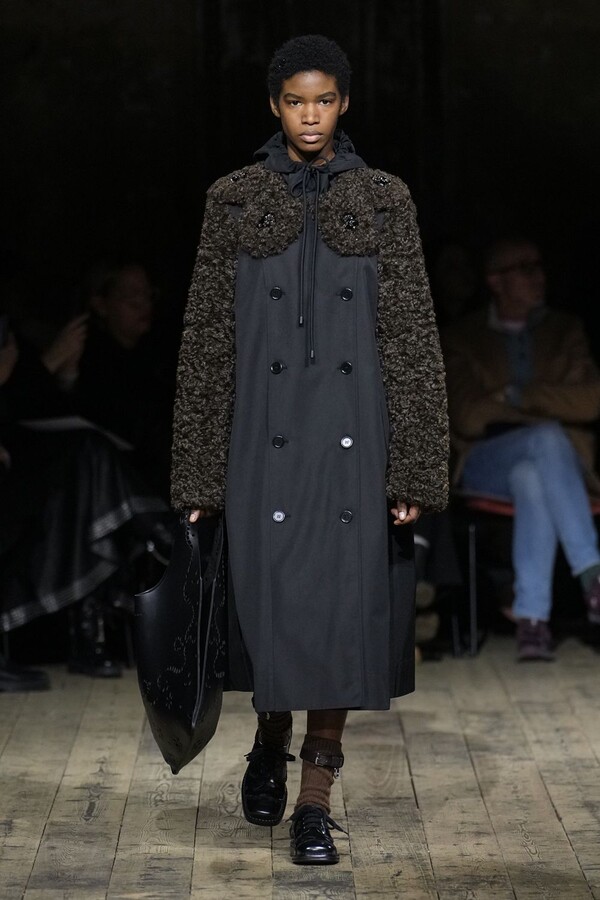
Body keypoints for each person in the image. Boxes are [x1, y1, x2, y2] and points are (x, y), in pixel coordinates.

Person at [170, 34, 449, 865]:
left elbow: (411, 335)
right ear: (275, 106)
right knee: (274, 606)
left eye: (324, 100)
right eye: (296, 101)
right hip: (263, 440)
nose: (311, 116)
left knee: (339, 621)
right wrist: (198, 471)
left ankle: (315, 801)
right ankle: (269, 738)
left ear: (344, 103)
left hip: (354, 444)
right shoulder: (234, 199)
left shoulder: (386, 199)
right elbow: (207, 339)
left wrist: (414, 462)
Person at [441, 234, 600, 661]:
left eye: (539, 267)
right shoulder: (464, 336)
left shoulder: (564, 330)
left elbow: (590, 400)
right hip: (486, 459)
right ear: (496, 281)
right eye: (525, 269)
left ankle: (532, 621)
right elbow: (468, 414)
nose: (538, 277)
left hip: (556, 464)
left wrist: (513, 396)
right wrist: (547, 407)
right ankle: (593, 575)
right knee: (546, 437)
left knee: (532, 475)